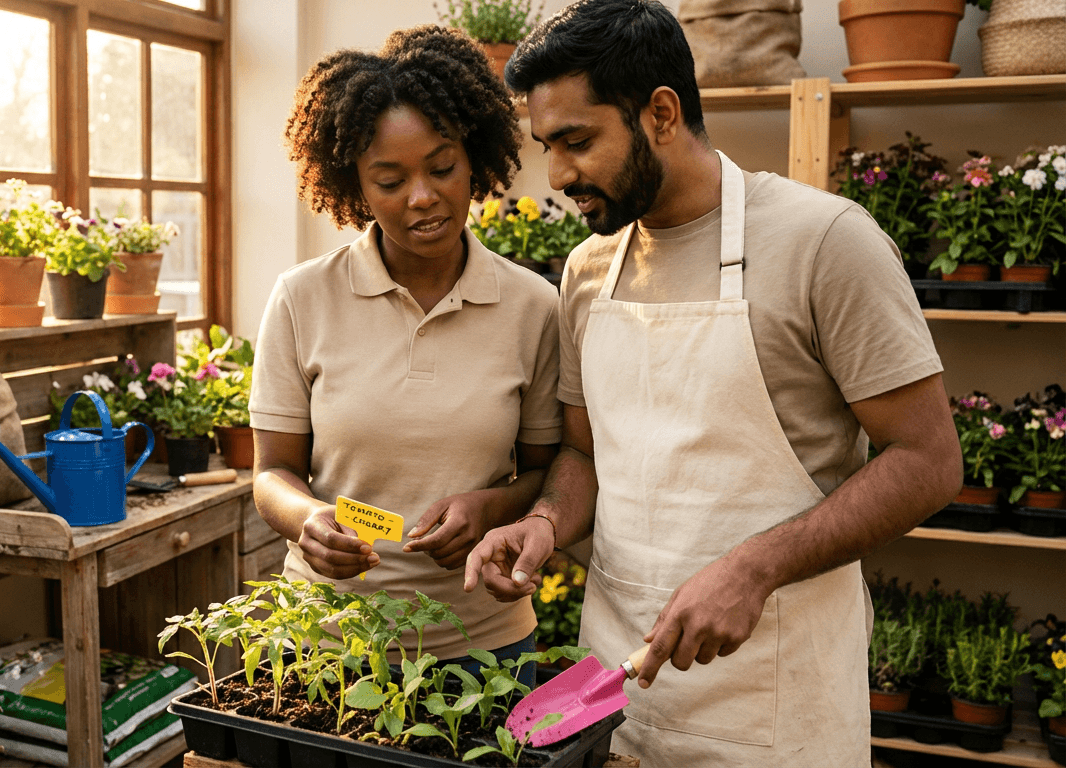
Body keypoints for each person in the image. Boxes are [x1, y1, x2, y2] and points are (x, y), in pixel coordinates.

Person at [461, 0, 963, 763]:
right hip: (616, 690)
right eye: (547, 147)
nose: (558, 175)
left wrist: (755, 568)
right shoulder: (588, 271)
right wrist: (546, 523)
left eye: (577, 142)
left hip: (776, 703)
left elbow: (929, 461)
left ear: (661, 113)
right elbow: (585, 453)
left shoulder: (825, 242)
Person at [250, 25, 561, 686]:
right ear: (355, 186)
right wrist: (308, 519)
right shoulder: (302, 297)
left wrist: (490, 508)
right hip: (327, 645)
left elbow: (544, 472)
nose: (422, 196)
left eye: (441, 168)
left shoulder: (534, 306)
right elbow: (272, 471)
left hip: (484, 646)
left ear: (474, 159)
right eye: (389, 180)